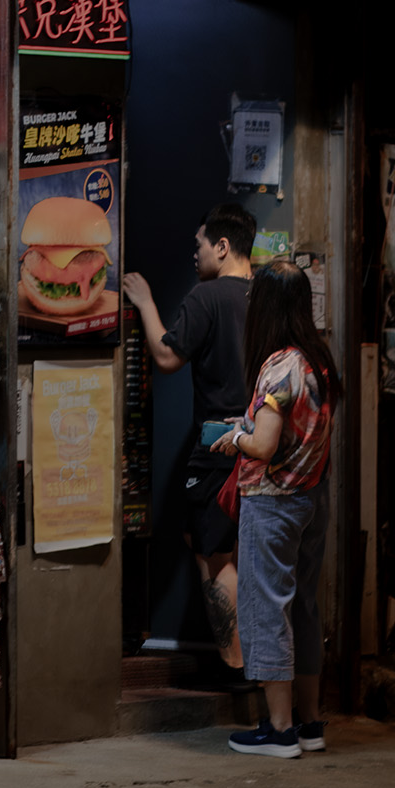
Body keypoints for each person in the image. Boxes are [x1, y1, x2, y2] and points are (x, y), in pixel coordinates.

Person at [211, 259, 340, 759]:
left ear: (267, 307)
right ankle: (309, 724)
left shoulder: (279, 366)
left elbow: (264, 446)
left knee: (266, 610)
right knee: (302, 607)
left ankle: (280, 730)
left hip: (273, 503)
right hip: (312, 499)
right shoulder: (318, 361)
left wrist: (237, 437)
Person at [120, 202, 256, 670]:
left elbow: (166, 357)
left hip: (219, 447)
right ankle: (261, 665)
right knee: (234, 548)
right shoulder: (267, 296)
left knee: (214, 557)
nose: (193, 253)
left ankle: (239, 670)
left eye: (199, 244)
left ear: (222, 246)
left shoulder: (208, 296)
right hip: (264, 444)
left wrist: (145, 302)